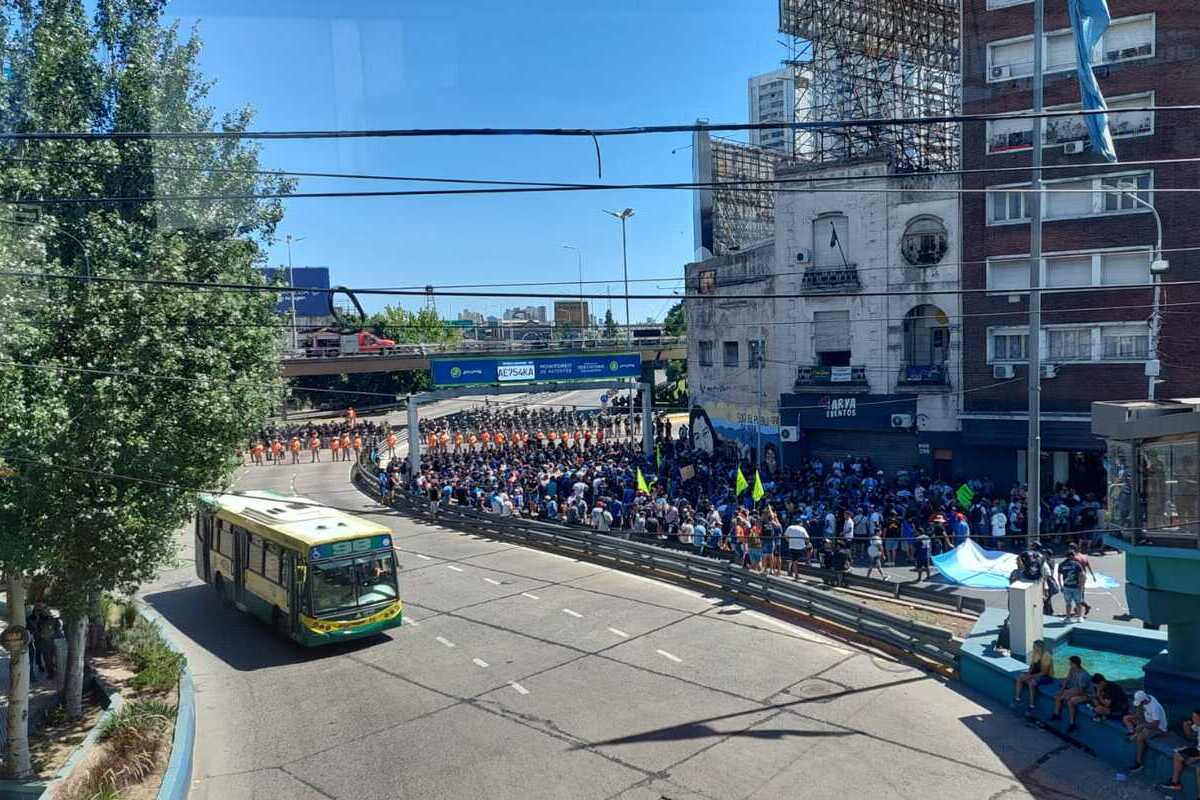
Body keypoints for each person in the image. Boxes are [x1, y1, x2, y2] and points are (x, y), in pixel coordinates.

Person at [1124, 690, 1168, 774]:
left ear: (1144, 701)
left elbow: (1155, 724)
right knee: (1127, 718)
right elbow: (1141, 712)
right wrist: (1136, 718)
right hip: (1148, 722)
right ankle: (1134, 734)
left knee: (1140, 737)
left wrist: (1142, 726)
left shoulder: (1155, 707)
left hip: (1159, 728)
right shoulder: (1147, 698)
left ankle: (1138, 763)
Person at [1158, 708, 1200, 792]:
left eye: (1195, 717)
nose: (1192, 719)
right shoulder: (1197, 725)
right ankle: (1175, 783)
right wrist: (1186, 727)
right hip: (1198, 749)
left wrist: (1195, 758)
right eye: (1193, 717)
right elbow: (1190, 736)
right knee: (1177, 755)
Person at [1050, 654, 1091, 732]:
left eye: (1070, 663)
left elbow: (1081, 690)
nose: (1069, 664)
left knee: (1070, 701)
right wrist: (1062, 690)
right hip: (1075, 689)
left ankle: (1072, 723)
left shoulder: (1083, 675)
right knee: (1059, 695)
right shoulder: (1072, 669)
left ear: (1075, 664)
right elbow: (1067, 680)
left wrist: (1069, 694)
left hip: (1086, 694)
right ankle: (1056, 714)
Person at [1012, 639, 1054, 711]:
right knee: (1020, 677)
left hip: (1046, 677)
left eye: (1035, 647)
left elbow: (1044, 673)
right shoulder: (1036, 653)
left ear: (1040, 647)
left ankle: (1032, 705)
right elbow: (1032, 666)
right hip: (1036, 673)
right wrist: (1028, 674)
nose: (1033, 648)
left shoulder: (1046, 656)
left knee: (1031, 683)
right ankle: (1017, 699)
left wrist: (1029, 676)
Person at [1057, 546, 1085, 622]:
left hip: (1066, 587)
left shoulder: (1061, 564)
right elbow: (1082, 575)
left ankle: (1068, 617)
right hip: (1076, 587)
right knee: (1078, 602)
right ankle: (1079, 617)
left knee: (1068, 603)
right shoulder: (1077, 564)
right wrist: (1081, 586)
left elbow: (1059, 576)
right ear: (1072, 556)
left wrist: (1061, 586)